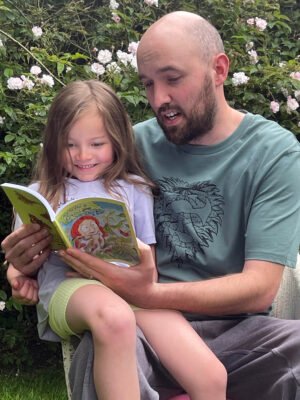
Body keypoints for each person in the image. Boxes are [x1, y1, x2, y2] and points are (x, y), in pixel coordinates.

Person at [2, 10, 300, 400]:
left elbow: (260, 288)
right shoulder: (124, 147)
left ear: (219, 70)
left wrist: (150, 295)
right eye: (148, 84)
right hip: (139, 331)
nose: (159, 99)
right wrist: (19, 265)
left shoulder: (274, 153)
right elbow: (53, 207)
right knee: (108, 336)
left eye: (173, 79)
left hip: (236, 333)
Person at [4, 79, 228, 400]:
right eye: (70, 145)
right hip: (71, 288)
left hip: (130, 288)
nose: (83, 155)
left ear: (117, 140)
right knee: (115, 318)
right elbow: (18, 264)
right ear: (54, 143)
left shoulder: (134, 189)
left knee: (210, 375)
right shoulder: (41, 194)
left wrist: (131, 267)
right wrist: (17, 278)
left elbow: (147, 267)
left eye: (97, 144)